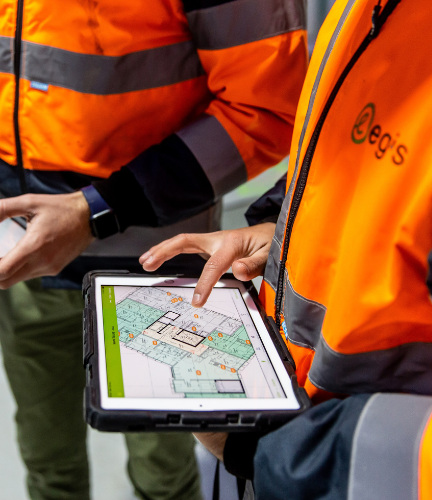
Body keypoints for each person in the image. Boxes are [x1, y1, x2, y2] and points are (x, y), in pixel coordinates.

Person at [0, 0, 308, 498]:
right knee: (48, 462)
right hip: (20, 251)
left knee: (164, 476)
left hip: (157, 268)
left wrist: (102, 208)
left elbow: (264, 106)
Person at [139, 0, 432, 497]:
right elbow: (345, 156)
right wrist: (283, 223)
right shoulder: (367, 9)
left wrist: (272, 449)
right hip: (289, 422)